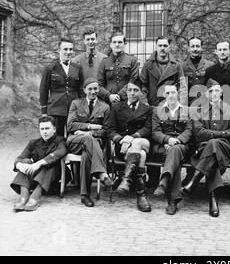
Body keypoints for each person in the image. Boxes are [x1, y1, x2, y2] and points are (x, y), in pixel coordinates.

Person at [181, 79, 230, 217]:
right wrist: (221, 135)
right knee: (213, 152)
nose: (214, 94)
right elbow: (198, 133)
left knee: (213, 144)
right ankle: (213, 198)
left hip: (226, 149)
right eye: (211, 91)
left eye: (217, 91)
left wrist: (214, 136)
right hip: (205, 148)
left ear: (221, 93)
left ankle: (195, 179)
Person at [66, 78, 113, 207]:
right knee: (88, 140)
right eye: (90, 89)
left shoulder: (105, 107)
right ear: (84, 90)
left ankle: (85, 195)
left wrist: (88, 133)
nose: (93, 92)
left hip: (93, 143)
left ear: (99, 89)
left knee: (87, 154)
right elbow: (70, 126)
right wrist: (90, 127)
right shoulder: (76, 103)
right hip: (75, 141)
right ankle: (102, 173)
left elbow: (106, 131)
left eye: (95, 88)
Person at [108, 79, 153, 212]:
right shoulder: (117, 108)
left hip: (143, 142)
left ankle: (126, 179)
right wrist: (121, 140)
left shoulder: (148, 109)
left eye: (136, 90)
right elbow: (110, 130)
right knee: (141, 155)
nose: (132, 93)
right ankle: (141, 195)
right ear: (126, 92)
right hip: (123, 146)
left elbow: (148, 129)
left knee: (137, 143)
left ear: (141, 93)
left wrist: (132, 138)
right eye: (130, 90)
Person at [151, 84, 193, 215]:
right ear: (164, 95)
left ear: (178, 94)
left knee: (175, 151)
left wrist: (177, 140)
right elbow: (155, 132)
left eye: (173, 93)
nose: (171, 96)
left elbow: (189, 130)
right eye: (168, 93)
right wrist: (167, 140)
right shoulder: (157, 111)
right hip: (163, 147)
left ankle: (164, 181)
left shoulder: (187, 110)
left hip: (182, 146)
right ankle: (173, 201)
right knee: (175, 158)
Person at [10, 116, 67, 212]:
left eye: (47, 128)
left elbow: (61, 152)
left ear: (54, 129)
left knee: (50, 164)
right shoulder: (33, 143)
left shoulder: (60, 140)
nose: (45, 132)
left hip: (54, 179)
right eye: (42, 129)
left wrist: (39, 163)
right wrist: (21, 165)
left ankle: (35, 197)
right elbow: (19, 158)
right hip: (37, 178)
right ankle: (24, 196)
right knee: (25, 162)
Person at [39, 38, 84, 136]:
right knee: (57, 139)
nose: (68, 52)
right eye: (65, 49)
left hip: (73, 110)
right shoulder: (50, 68)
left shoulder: (78, 68)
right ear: (59, 50)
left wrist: (81, 108)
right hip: (55, 109)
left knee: (73, 138)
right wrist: (44, 112)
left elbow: (81, 90)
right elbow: (43, 90)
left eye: (71, 49)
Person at [139, 36, 187, 106]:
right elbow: (142, 85)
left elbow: (182, 88)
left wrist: (177, 102)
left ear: (169, 47)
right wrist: (144, 102)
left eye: (165, 46)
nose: (162, 48)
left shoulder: (177, 66)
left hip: (170, 105)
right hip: (152, 105)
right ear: (156, 47)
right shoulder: (148, 65)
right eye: (160, 46)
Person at [97, 32, 139, 104]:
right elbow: (99, 84)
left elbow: (133, 80)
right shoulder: (104, 62)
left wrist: (119, 95)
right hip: (108, 102)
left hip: (127, 101)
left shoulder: (132, 60)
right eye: (114, 42)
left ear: (125, 44)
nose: (117, 45)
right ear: (110, 45)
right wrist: (109, 96)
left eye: (120, 42)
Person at [181, 36, 214, 104]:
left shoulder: (210, 65)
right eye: (192, 46)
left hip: (206, 104)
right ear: (188, 48)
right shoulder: (182, 67)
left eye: (197, 46)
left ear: (201, 48)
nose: (195, 49)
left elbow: (212, 85)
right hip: (188, 104)